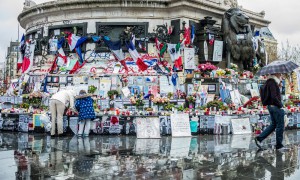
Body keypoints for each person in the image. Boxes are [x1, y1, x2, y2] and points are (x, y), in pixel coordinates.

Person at [255, 73, 286, 151]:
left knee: (274, 125)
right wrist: (281, 105)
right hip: (276, 106)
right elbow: (274, 96)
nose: (281, 75)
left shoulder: (270, 82)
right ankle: (279, 145)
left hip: (271, 106)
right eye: (280, 74)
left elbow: (273, 94)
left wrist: (278, 87)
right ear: (276, 74)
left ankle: (259, 138)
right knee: (280, 125)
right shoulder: (272, 82)